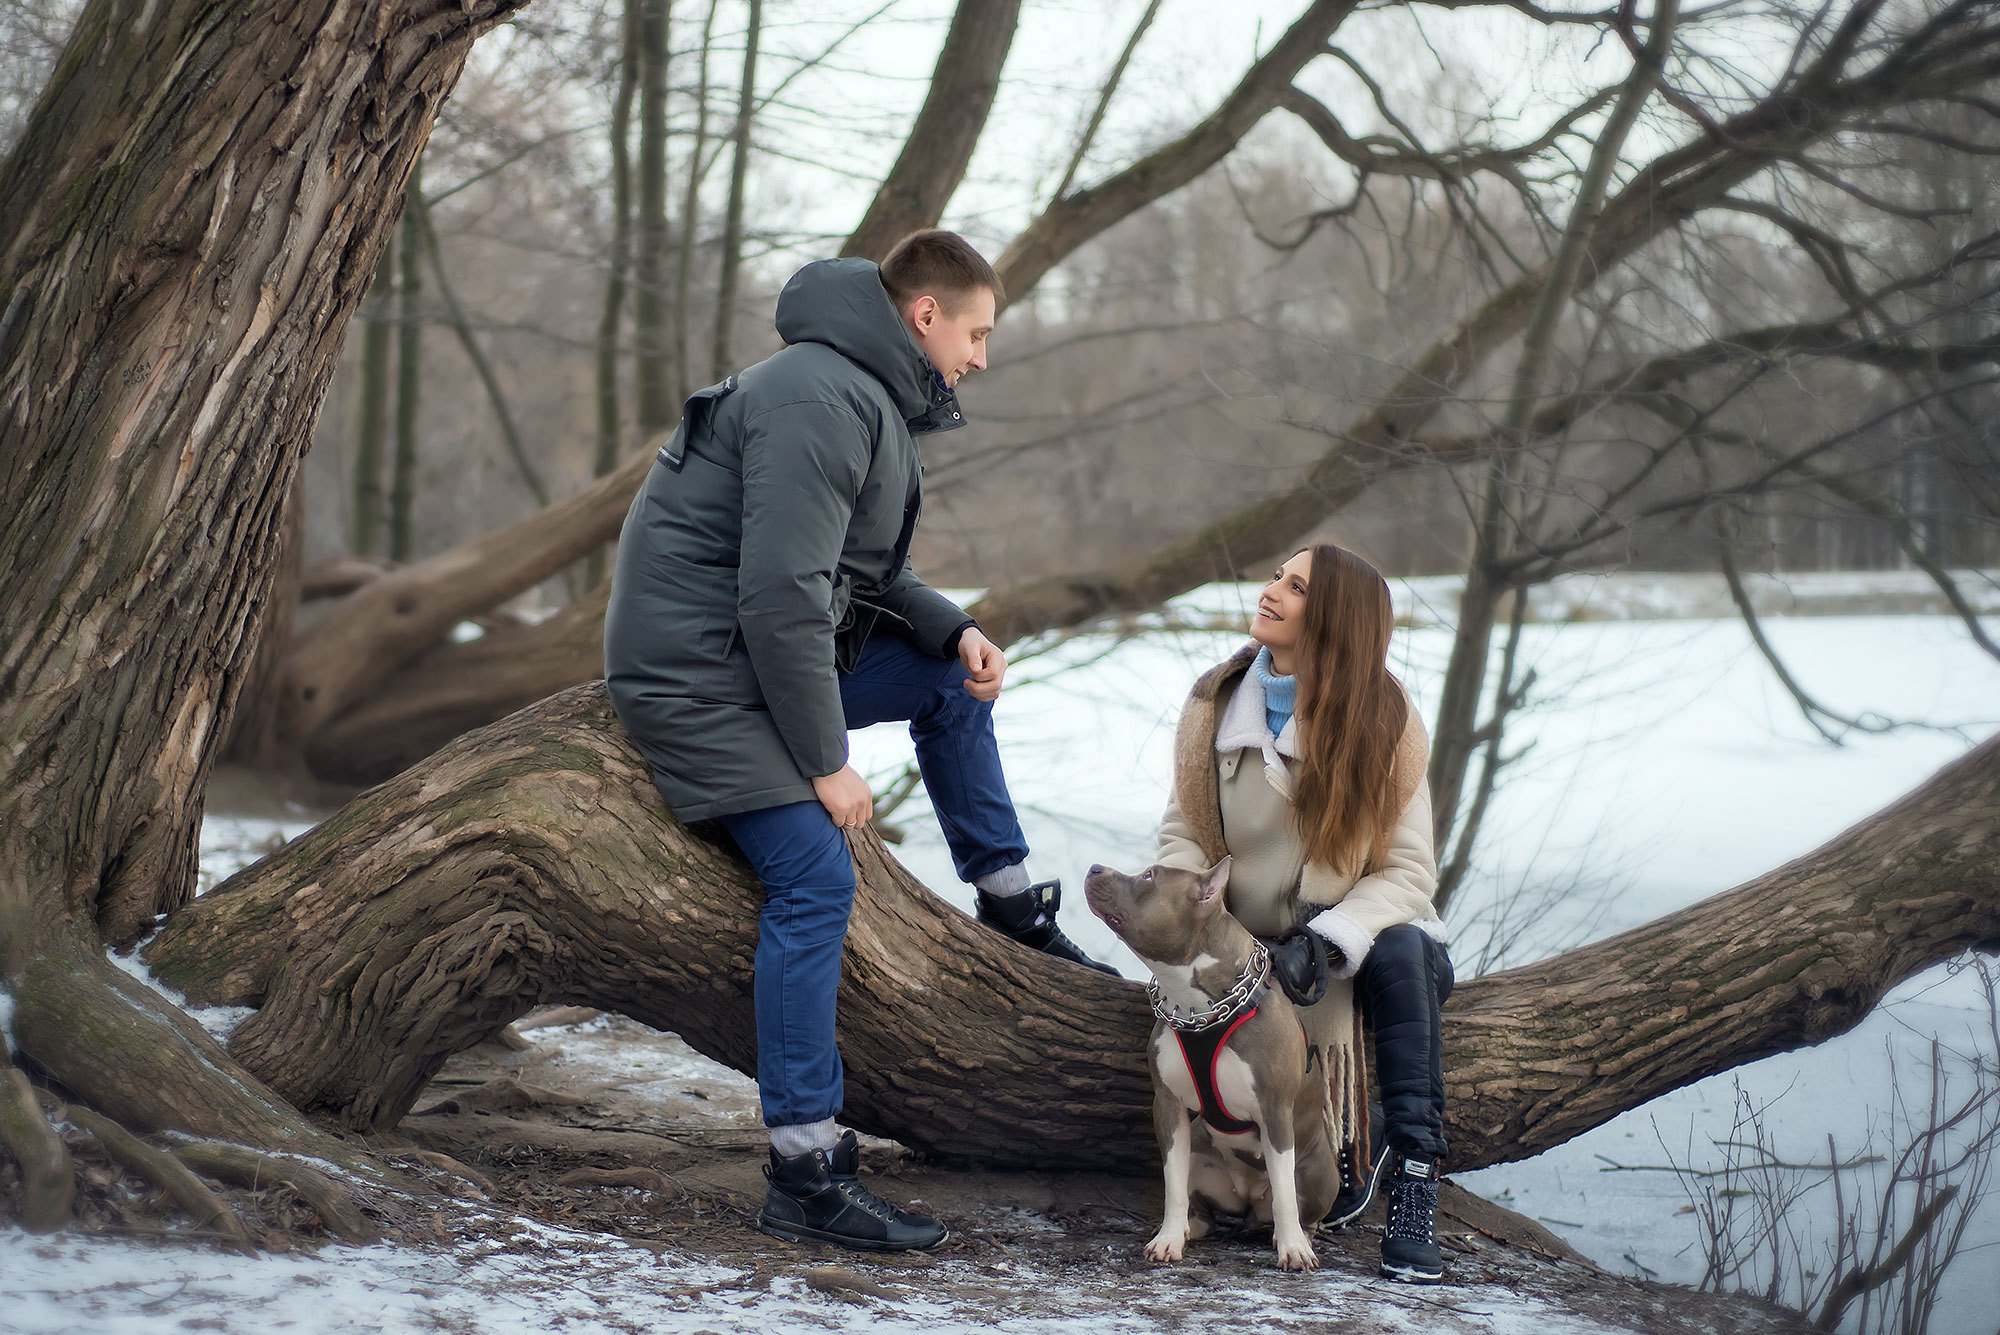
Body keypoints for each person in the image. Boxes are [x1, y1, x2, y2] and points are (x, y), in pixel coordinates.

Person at [604, 229, 1113, 1255]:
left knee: (943, 677)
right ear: (923, 316)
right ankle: (804, 1170)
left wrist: (954, 628)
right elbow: (781, 597)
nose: (980, 357)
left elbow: (860, 576)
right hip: (703, 679)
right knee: (814, 880)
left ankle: (1010, 906)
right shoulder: (816, 402)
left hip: (748, 659)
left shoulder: (853, 394)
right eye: (975, 332)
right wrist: (827, 765)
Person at [1155, 543, 1455, 1283]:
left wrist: (1325, 941)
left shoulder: (1388, 720)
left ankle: (1414, 1170)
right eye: (1277, 577)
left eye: (1297, 587)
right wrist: (1192, 921)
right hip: (1244, 945)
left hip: (1359, 940)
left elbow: (1410, 871)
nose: (1272, 591)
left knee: (1406, 949)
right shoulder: (1216, 707)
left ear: (1337, 621)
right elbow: (1185, 835)